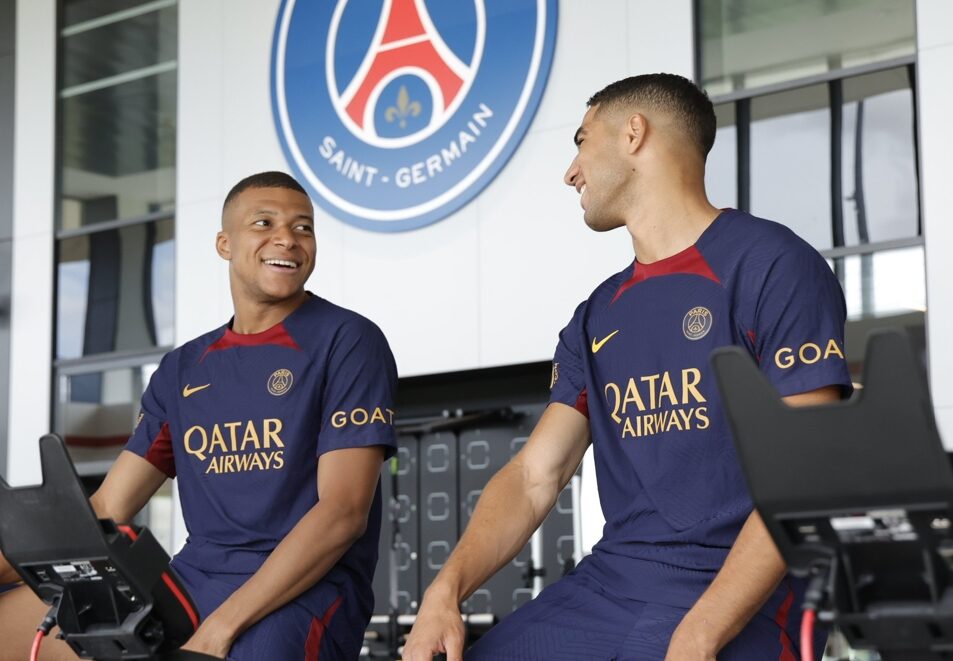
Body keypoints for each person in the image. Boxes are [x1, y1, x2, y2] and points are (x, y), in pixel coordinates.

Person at [403, 73, 851, 661]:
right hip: (610, 585)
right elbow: (535, 475)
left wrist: (701, 631)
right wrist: (445, 589)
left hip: (738, 591)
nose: (571, 172)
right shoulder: (598, 314)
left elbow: (804, 469)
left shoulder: (773, 265)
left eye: (582, 141)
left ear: (633, 134)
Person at [0, 171, 397, 660]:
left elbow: (343, 514)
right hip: (194, 580)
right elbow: (108, 508)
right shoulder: (183, 368)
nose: (287, 239)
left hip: (302, 590)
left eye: (303, 228)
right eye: (265, 223)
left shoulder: (348, 340)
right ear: (224, 244)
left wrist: (219, 628)